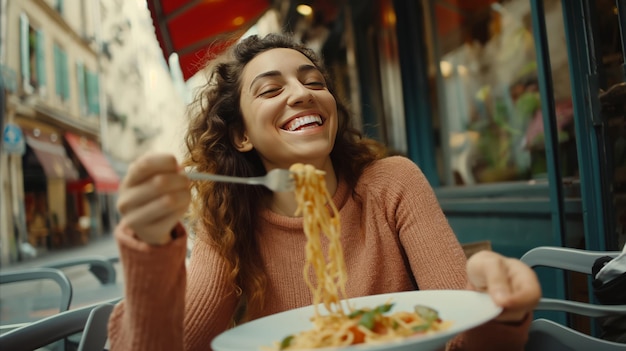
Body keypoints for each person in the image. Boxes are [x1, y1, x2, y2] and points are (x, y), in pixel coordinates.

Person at [108, 33, 541, 350]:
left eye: (314, 82)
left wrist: (500, 308)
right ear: (241, 135)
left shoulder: (392, 183)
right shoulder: (228, 225)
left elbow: (463, 335)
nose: (301, 94)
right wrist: (149, 248)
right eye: (272, 89)